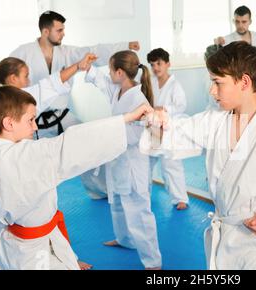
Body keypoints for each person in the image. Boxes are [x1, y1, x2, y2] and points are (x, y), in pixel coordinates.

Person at [141, 41, 256, 270]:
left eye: (217, 82)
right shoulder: (216, 119)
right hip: (224, 238)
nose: (211, 91)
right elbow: (177, 132)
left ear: (244, 82)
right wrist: (159, 121)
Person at [0, 85, 152, 270]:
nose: (35, 126)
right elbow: (70, 144)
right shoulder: (26, 155)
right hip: (33, 254)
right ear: (9, 123)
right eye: (30, 120)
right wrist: (127, 118)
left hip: (17, 242)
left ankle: (69, 260)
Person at [0, 54, 97, 270]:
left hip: (16, 167)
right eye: (25, 76)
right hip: (2, 167)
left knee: (39, 211)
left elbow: (51, 84)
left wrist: (77, 66)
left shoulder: (22, 98)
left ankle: (67, 257)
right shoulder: (2, 103)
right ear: (12, 78)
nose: (29, 80)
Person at [10, 10, 140, 200]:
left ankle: (100, 189)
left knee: (88, 144)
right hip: (33, 121)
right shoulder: (23, 53)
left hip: (62, 116)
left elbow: (93, 51)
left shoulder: (67, 52)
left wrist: (125, 46)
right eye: (59, 30)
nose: (63, 33)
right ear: (46, 31)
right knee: (16, 159)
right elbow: (7, 75)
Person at [85, 51, 162, 270]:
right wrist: (89, 68)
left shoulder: (139, 99)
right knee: (117, 204)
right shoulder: (118, 89)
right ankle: (125, 239)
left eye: (110, 70)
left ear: (120, 72)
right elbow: (101, 82)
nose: (108, 74)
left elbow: (144, 136)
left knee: (139, 212)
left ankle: (153, 262)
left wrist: (109, 135)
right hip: (117, 162)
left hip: (132, 163)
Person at [147, 48, 189, 210]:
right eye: (152, 64)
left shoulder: (174, 85)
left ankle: (180, 198)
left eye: (159, 63)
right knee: (146, 164)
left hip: (169, 130)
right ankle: (143, 195)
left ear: (168, 64)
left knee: (171, 164)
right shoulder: (150, 82)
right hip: (152, 128)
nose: (156, 67)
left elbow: (181, 105)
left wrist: (163, 108)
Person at [214, 5, 256, 97]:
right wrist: (217, 41)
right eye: (237, 22)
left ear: (250, 21)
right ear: (233, 21)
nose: (240, 25)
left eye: (244, 22)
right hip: (240, 87)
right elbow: (218, 45)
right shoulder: (228, 39)